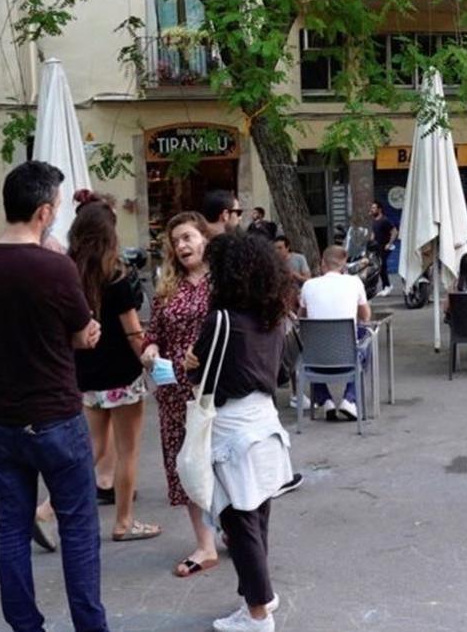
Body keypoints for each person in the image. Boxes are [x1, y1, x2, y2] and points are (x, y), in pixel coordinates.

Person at [0, 160, 108, 631]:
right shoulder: (55, 268)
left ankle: (26, 626)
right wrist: (79, 335)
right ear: (44, 212)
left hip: (3, 416)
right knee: (79, 530)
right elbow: (83, 333)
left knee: (11, 529)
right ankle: (90, 625)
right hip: (56, 415)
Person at [185, 232, 293, 632]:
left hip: (231, 431)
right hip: (266, 425)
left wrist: (190, 362)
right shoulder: (272, 317)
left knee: (238, 522)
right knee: (257, 518)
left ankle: (258, 612)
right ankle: (257, 598)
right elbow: (281, 373)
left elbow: (204, 380)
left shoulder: (221, 320)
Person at [68, 201, 160, 543]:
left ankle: (46, 511)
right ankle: (124, 522)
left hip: (86, 372)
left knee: (92, 448)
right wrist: (152, 364)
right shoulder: (117, 274)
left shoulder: (68, 272)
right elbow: (133, 331)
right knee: (127, 451)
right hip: (122, 373)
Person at [141, 211, 219, 578]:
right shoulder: (168, 285)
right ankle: (205, 545)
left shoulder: (222, 281)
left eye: (188, 237)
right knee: (187, 466)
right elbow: (152, 330)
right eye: (176, 241)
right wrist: (151, 349)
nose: (182, 245)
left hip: (214, 387)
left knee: (221, 463)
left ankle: (233, 530)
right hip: (174, 390)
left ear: (204, 238)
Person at [299, 245, 371, 421]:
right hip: (348, 360)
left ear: (322, 263)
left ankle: (325, 401)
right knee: (367, 337)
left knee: (308, 344)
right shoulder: (354, 282)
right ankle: (350, 399)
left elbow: (302, 318)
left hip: (315, 362)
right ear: (344, 265)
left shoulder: (308, 285)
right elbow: (366, 316)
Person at [369, 201, 396, 297]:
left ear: (379, 209)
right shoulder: (374, 221)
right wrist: (370, 242)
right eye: (371, 208)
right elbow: (373, 233)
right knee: (379, 267)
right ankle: (385, 286)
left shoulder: (385, 220)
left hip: (385, 247)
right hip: (377, 247)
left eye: (373, 208)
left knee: (382, 266)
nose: (371, 210)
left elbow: (394, 231)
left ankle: (387, 286)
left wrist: (389, 243)